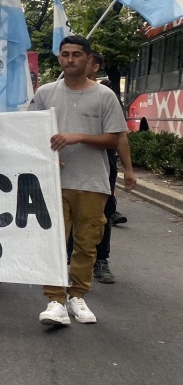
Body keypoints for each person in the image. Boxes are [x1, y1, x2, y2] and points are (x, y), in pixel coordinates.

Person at [30, 35, 127, 326]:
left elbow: (114, 138)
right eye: (65, 54)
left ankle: (77, 295)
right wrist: (45, 153)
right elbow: (30, 130)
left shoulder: (104, 95)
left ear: (88, 60)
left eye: (76, 54)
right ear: (59, 58)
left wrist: (78, 137)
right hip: (52, 181)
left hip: (92, 183)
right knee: (54, 241)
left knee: (86, 243)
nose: (70, 59)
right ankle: (55, 299)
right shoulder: (46, 93)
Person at [83, 52, 137, 285]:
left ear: (95, 67)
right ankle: (68, 259)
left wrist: (128, 169)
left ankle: (101, 261)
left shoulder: (106, 96)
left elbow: (120, 136)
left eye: (81, 58)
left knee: (103, 214)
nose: (73, 61)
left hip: (102, 165)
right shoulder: (55, 93)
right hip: (67, 166)